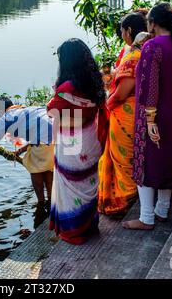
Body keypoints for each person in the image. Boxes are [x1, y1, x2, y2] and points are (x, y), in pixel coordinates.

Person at [123, 3, 172, 230]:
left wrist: (149, 118)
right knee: (168, 159)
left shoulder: (153, 47)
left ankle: (146, 218)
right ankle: (161, 210)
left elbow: (150, 86)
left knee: (147, 161)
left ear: (152, 23)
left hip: (155, 112)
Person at [47, 38, 108, 244]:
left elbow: (52, 111)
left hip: (72, 145)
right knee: (88, 180)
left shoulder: (66, 87)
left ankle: (74, 232)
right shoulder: (94, 80)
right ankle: (90, 224)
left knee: (70, 184)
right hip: (91, 141)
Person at [98, 12, 148, 217]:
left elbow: (121, 93)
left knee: (124, 160)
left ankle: (126, 201)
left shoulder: (133, 57)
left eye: (122, 30)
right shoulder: (143, 50)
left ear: (128, 31)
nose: (121, 34)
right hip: (136, 111)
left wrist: (105, 105)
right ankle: (131, 197)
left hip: (126, 114)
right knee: (131, 157)